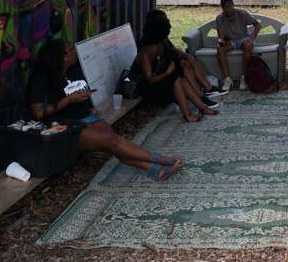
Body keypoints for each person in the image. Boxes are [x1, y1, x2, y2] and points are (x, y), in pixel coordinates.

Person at [28, 40, 184, 180]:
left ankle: (157, 171)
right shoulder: (41, 77)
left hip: (86, 116)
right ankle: (163, 160)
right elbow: (38, 112)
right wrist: (68, 100)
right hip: (65, 126)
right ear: (63, 58)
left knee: (115, 143)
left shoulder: (73, 68)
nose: (74, 50)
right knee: (112, 142)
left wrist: (89, 104)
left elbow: (79, 91)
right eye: (70, 50)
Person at [136, 19, 219, 123]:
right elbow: (149, 79)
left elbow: (172, 57)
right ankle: (188, 115)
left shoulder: (160, 45)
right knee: (175, 80)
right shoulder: (145, 53)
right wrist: (167, 73)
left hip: (159, 81)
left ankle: (203, 108)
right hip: (146, 88)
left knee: (179, 77)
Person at [144, 9, 226, 102]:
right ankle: (200, 97)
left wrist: (186, 56)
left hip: (167, 66)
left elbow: (172, 50)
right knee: (184, 66)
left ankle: (208, 89)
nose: (168, 22)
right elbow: (153, 71)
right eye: (165, 19)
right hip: (159, 76)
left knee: (190, 60)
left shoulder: (161, 37)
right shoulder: (149, 45)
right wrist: (172, 67)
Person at [215, 0, 261, 91]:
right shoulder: (220, 18)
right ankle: (228, 79)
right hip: (231, 41)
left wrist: (252, 38)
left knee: (248, 45)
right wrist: (221, 42)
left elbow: (257, 25)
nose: (228, 9)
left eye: (229, 6)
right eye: (225, 7)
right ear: (222, 8)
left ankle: (244, 77)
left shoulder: (242, 13)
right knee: (220, 50)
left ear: (233, 5)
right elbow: (221, 36)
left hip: (243, 38)